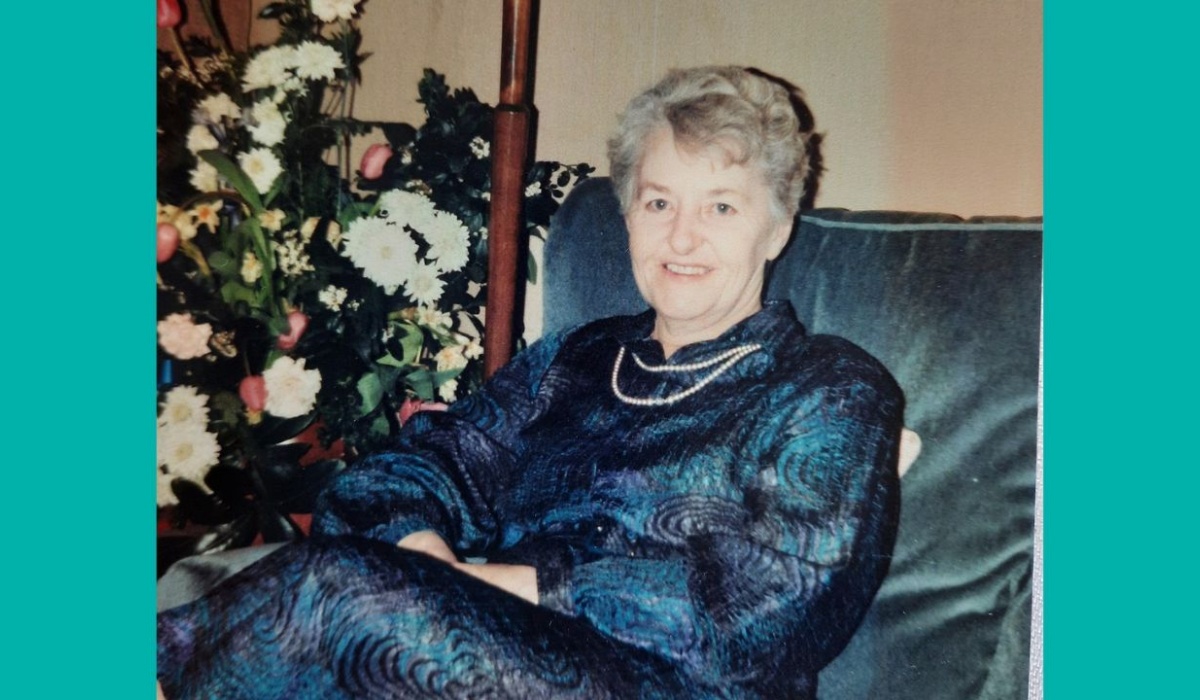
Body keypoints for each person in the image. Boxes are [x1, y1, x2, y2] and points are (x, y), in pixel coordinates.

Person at [157, 65, 904, 700]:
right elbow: (408, 471)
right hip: (482, 659)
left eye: (721, 207)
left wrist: (514, 586)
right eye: (658, 202)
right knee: (339, 591)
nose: (682, 237)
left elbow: (776, 611)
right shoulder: (573, 360)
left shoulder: (830, 387)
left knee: (337, 591)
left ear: (776, 227)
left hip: (683, 685)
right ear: (629, 215)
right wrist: (426, 556)